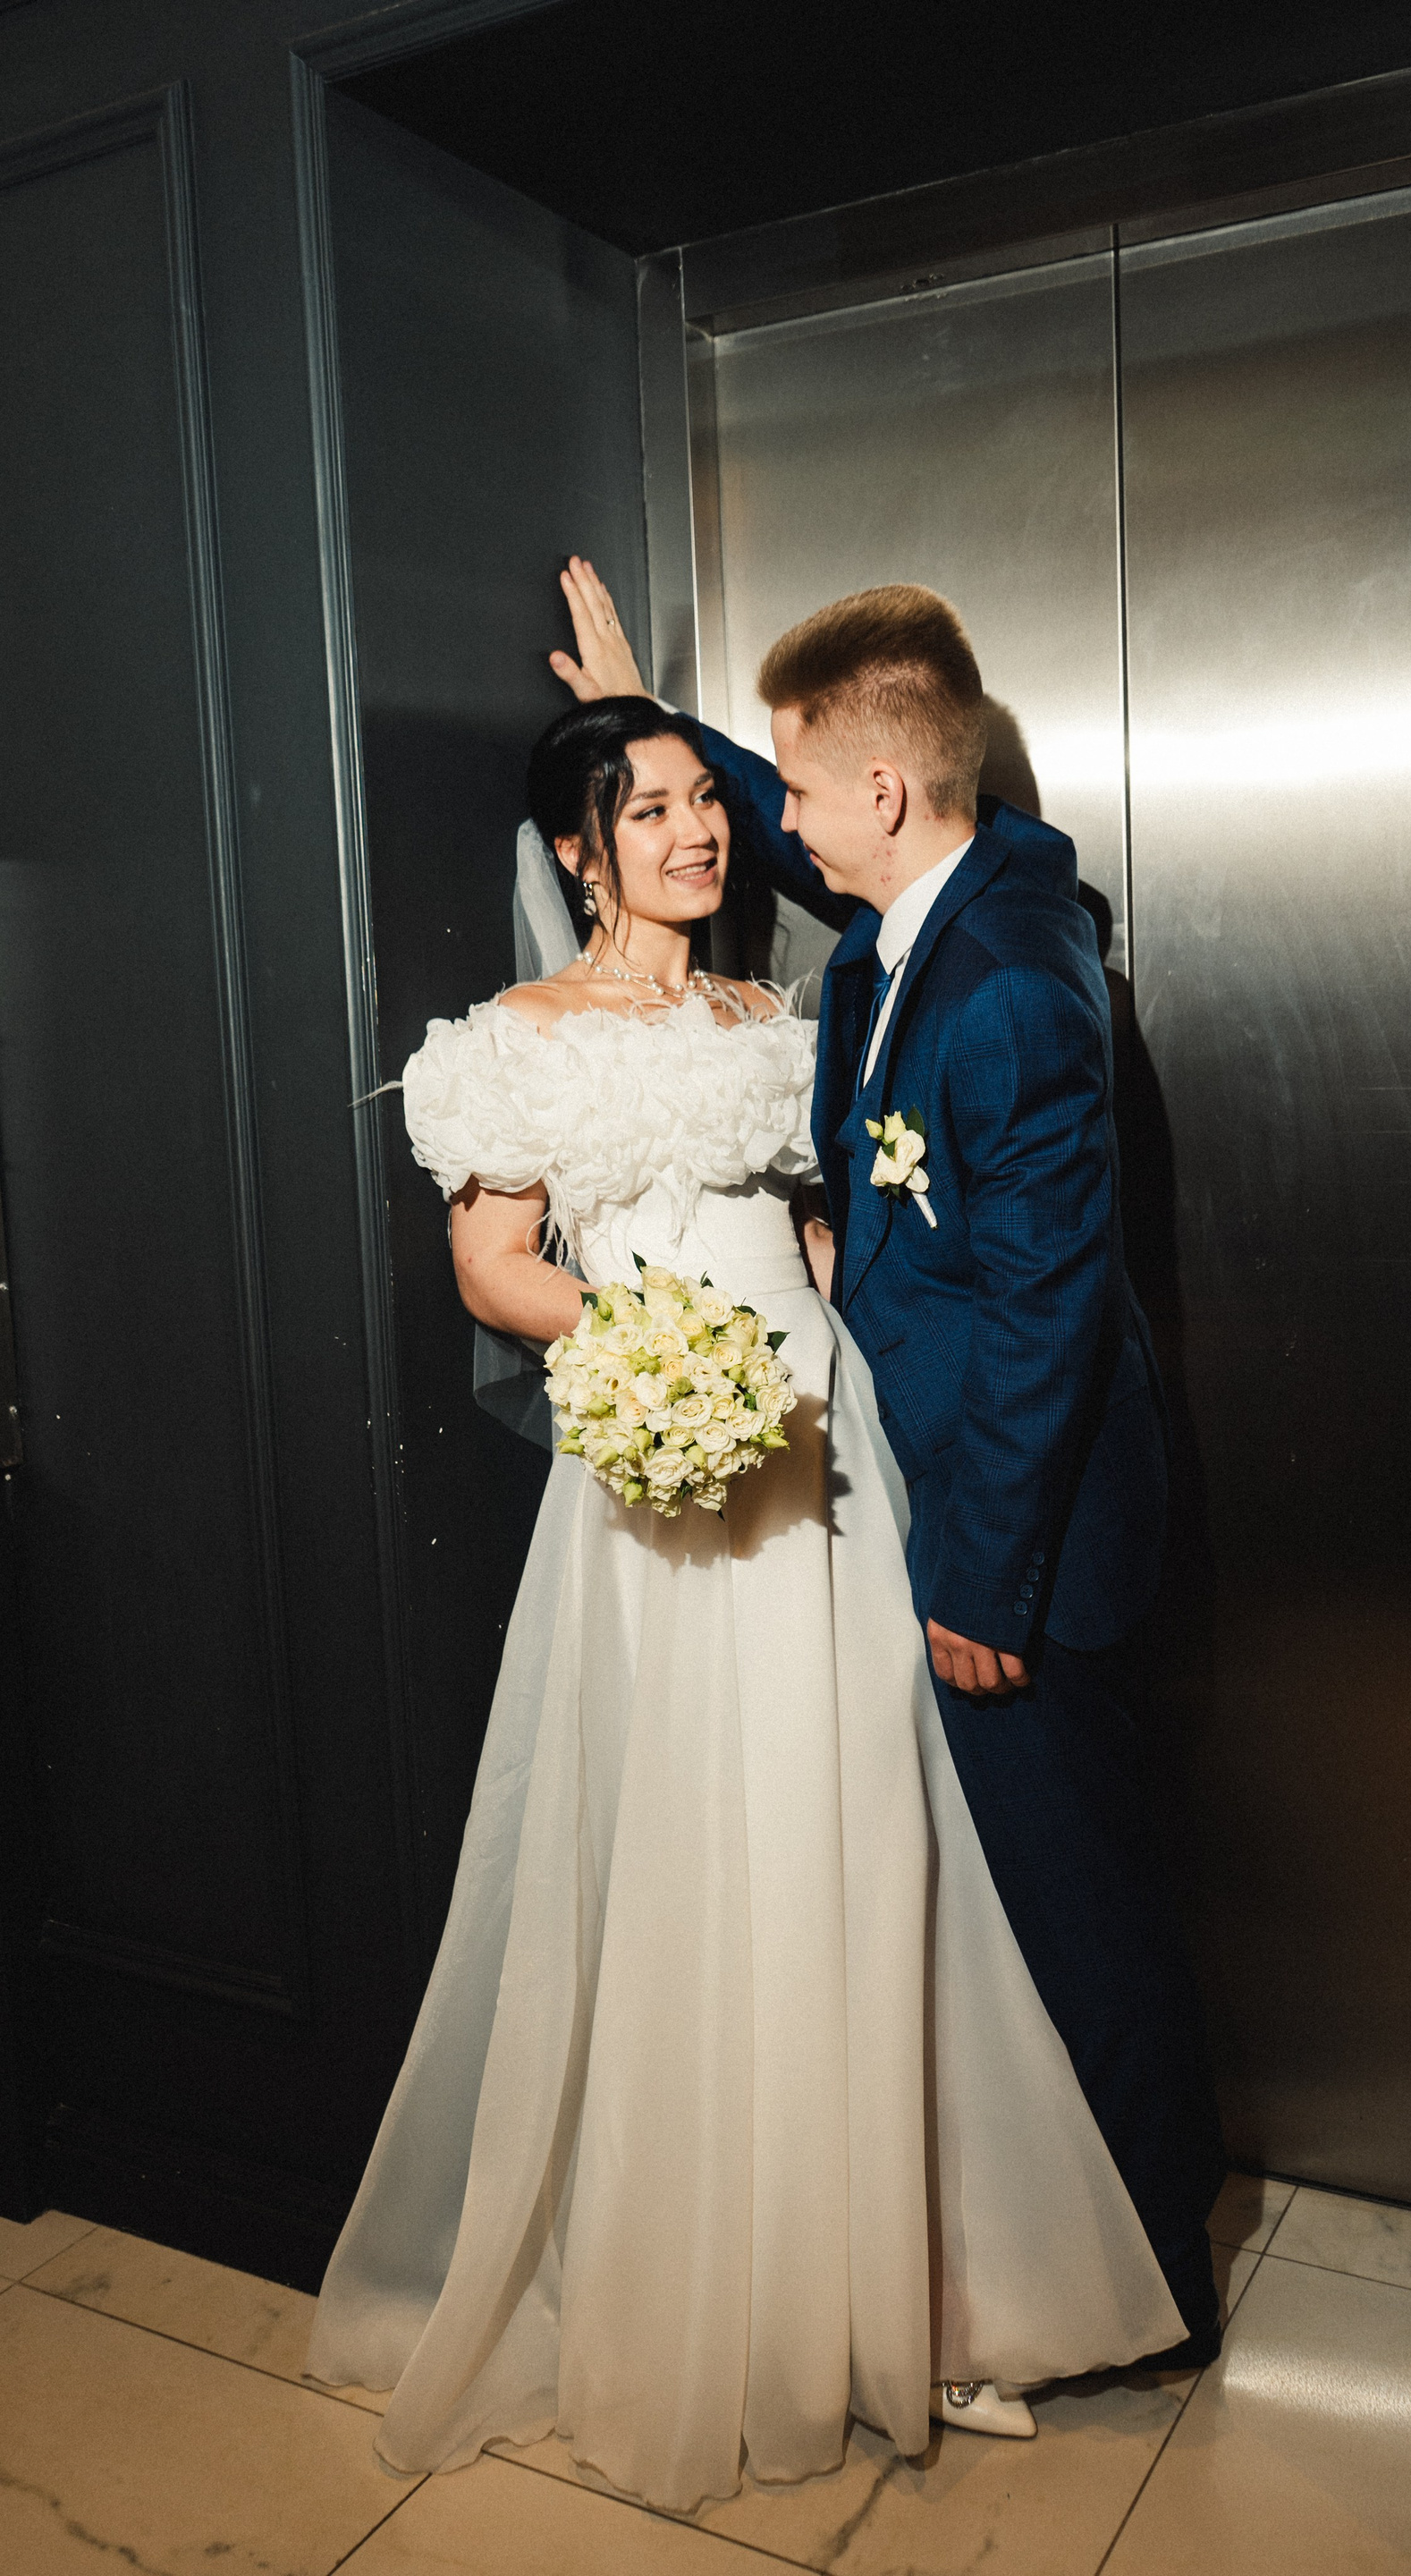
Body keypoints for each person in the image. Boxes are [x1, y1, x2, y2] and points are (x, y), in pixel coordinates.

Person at [305, 694, 1189, 2511]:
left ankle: (905, 2294)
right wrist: (658, 1352)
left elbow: (821, 1217)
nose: (699, 833)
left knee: (867, 1832)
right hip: (667, 1451)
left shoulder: (780, 1018)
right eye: (648, 811)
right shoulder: (514, 1040)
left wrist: (810, 1270)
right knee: (702, 1847)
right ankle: (722, 2288)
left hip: (830, 1452)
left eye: (710, 800)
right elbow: (494, 1270)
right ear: (580, 852)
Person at [553, 561, 1227, 2360]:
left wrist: (985, 1586)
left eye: (786, 784)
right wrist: (646, 722)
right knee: (1046, 1897)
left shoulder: (1001, 983)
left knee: (1079, 1913)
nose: (764, 822)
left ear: (883, 792)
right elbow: (800, 841)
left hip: (1033, 1548)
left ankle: (1157, 2288)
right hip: (971, 1502)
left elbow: (1047, 1313)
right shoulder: (946, 899)